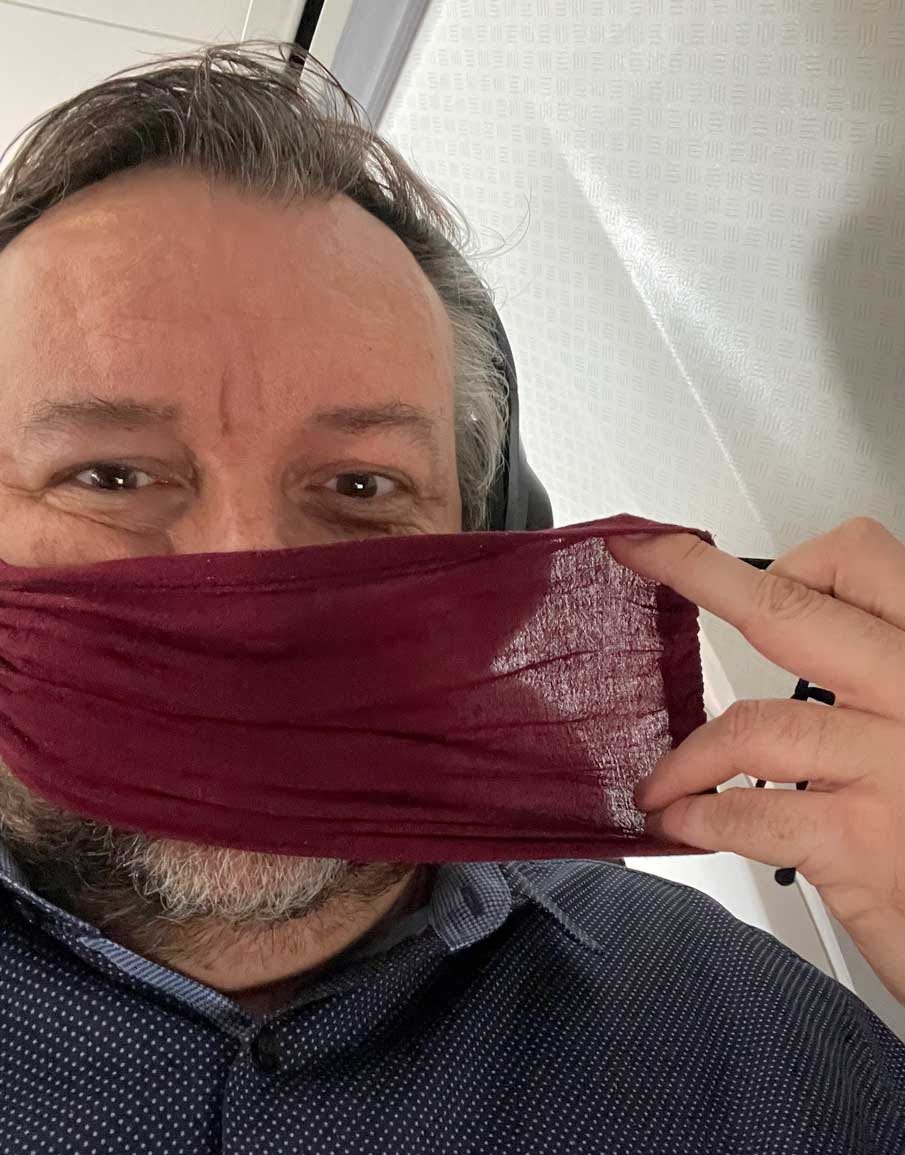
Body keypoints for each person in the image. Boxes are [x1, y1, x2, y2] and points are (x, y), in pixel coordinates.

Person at [0, 42, 902, 1154]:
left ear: (487, 562)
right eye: (108, 476)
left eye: (359, 487)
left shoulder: (754, 1044)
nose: (253, 603)